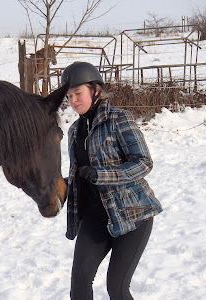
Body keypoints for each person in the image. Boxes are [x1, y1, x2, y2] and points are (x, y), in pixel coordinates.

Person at [62, 62, 162, 300]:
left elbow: (143, 162)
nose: (73, 101)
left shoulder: (119, 119)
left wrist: (102, 175)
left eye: (78, 93)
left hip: (133, 215)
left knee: (116, 288)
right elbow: (81, 173)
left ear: (95, 90)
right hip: (95, 217)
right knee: (79, 283)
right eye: (69, 96)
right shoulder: (74, 131)